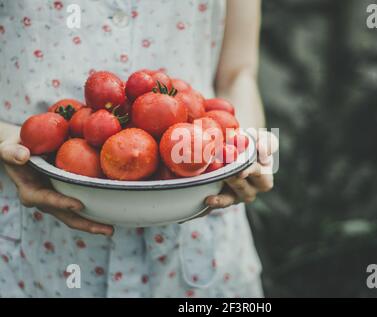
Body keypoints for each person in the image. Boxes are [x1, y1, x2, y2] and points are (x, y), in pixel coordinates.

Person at [0, 0, 276, 297]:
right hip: (35, 248)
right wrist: (7, 139)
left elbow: (238, 73)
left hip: (201, 237)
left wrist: (243, 151)